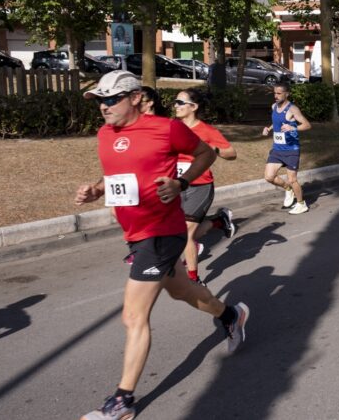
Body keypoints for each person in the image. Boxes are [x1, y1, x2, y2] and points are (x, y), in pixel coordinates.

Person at [75, 71, 248, 420]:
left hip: (162, 232)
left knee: (133, 316)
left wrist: (181, 184)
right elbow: (116, 174)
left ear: (135, 97)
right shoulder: (106, 133)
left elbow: (205, 154)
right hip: (135, 232)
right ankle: (232, 315)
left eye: (111, 100)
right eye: (100, 101)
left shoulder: (166, 128)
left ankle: (123, 402)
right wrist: (96, 189)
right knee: (181, 291)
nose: (104, 108)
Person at [173, 88, 237, 286]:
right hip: (177, 185)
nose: (175, 105)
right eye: (175, 102)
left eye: (180, 102)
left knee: (186, 233)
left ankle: (194, 279)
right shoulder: (172, 127)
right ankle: (219, 221)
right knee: (179, 232)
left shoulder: (207, 131)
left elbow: (231, 153)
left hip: (200, 186)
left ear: (193, 107)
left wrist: (213, 149)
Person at [262, 83, 312, 215]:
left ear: (286, 94)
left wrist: (292, 127)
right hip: (277, 149)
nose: (276, 96)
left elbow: (307, 125)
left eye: (279, 93)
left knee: (292, 179)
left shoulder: (292, 109)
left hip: (291, 150)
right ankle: (288, 189)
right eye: (274, 93)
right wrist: (269, 128)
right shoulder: (274, 106)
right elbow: (276, 121)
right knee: (269, 176)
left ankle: (301, 204)